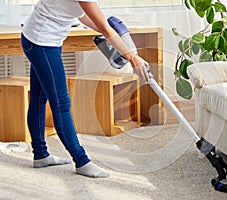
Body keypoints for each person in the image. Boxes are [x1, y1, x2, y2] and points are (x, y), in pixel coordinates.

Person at [21, 0, 149, 178]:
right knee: (61, 104)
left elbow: (81, 14)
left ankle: (40, 155)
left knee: (39, 98)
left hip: (38, 38)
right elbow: (104, 28)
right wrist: (132, 57)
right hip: (42, 42)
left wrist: (104, 27)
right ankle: (81, 161)